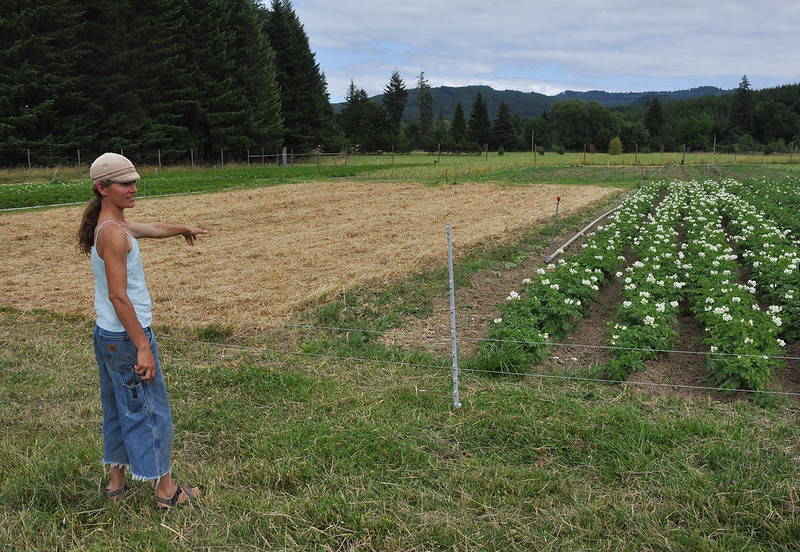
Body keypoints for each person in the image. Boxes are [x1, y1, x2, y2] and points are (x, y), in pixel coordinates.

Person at [78, 152, 206, 509]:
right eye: (125, 184)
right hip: (125, 337)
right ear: (102, 188)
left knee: (118, 408)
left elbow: (149, 229)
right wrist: (143, 347)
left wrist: (183, 229)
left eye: (134, 181)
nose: (134, 188)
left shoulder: (110, 226)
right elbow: (119, 297)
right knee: (148, 410)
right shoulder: (114, 235)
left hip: (107, 335)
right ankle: (166, 491)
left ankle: (116, 483)